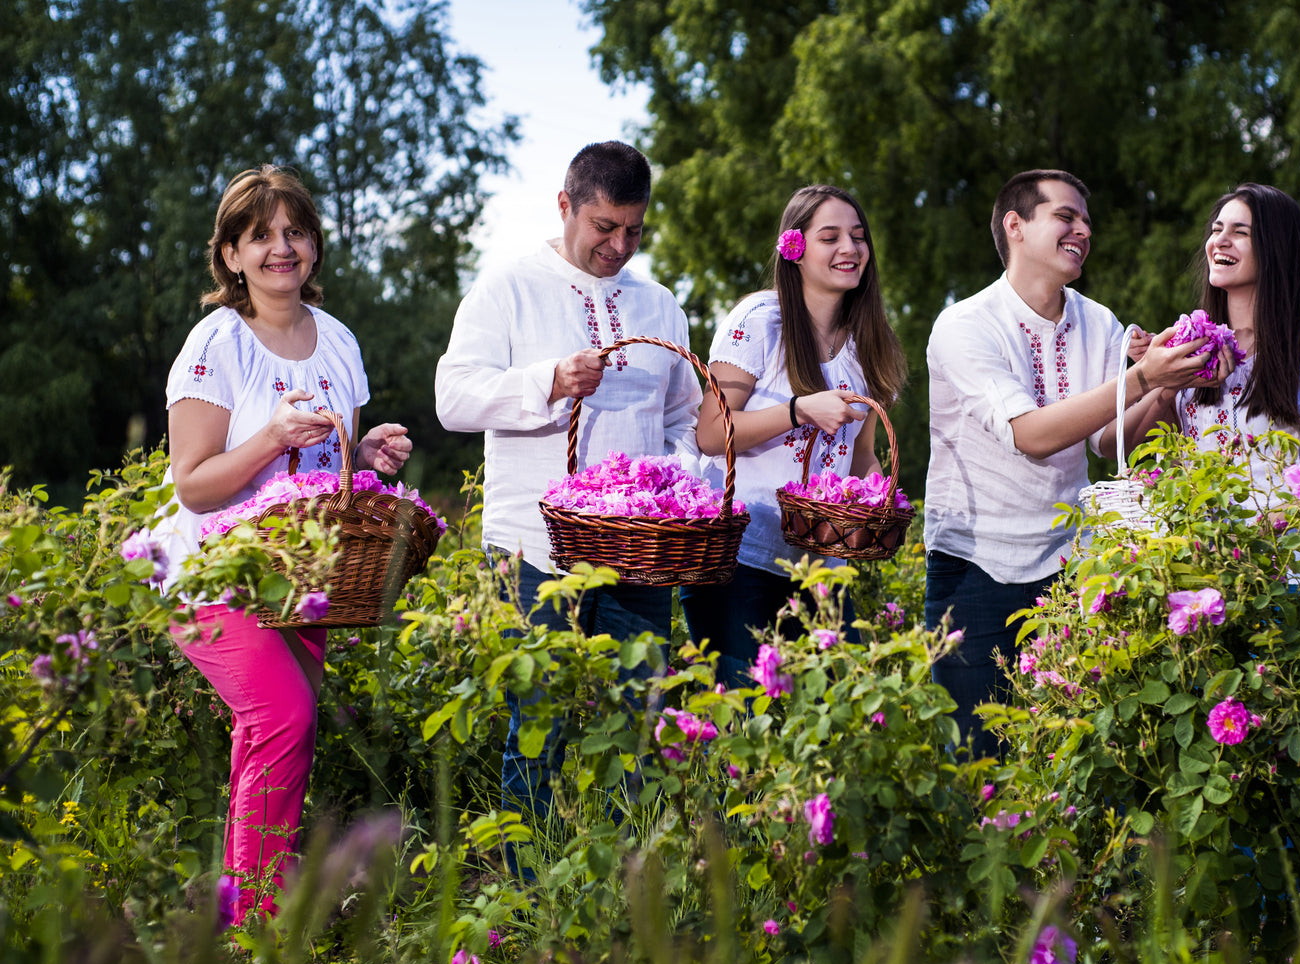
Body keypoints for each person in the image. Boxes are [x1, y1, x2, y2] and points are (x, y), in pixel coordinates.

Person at [154, 165, 412, 924]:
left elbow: (324, 466)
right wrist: (268, 436)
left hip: (303, 577)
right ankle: (267, 917)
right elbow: (195, 484)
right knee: (285, 715)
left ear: (314, 245)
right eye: (260, 234)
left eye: (295, 230)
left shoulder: (338, 341)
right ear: (230, 254)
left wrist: (364, 458)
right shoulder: (217, 342)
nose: (281, 248)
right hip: (213, 574)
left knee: (271, 729)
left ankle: (243, 909)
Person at [434, 141, 699, 821]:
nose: (619, 246)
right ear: (565, 205)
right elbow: (453, 399)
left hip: (640, 549)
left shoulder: (661, 305)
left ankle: (627, 884)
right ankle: (527, 889)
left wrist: (674, 496)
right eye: (603, 227)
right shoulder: (510, 286)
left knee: (640, 716)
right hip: (535, 546)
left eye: (634, 230)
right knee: (540, 718)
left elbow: (685, 422)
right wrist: (548, 379)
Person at [923, 169, 1226, 757]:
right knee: (975, 765)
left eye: (1087, 221)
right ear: (1015, 225)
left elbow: (1109, 442)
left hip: (1071, 568)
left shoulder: (1100, 321)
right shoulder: (963, 325)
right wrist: (1142, 375)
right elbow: (1031, 435)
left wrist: (1163, 390)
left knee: (1070, 761)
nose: (1083, 230)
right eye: (1066, 216)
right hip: (975, 568)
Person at [683, 185, 907, 686]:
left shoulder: (869, 342)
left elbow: (861, 457)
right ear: (795, 247)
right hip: (739, 559)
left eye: (858, 236)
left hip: (820, 566)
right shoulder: (761, 320)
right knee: (745, 719)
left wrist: (880, 496)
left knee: (832, 720)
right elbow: (711, 433)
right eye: (830, 237)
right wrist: (797, 410)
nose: (850, 249)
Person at [1119, 183, 1300, 493]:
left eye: (1240, 233)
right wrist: (1166, 378)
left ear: (1275, 248)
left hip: (1277, 539)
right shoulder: (1193, 345)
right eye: (1216, 230)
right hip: (1195, 539)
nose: (1219, 242)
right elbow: (1124, 448)